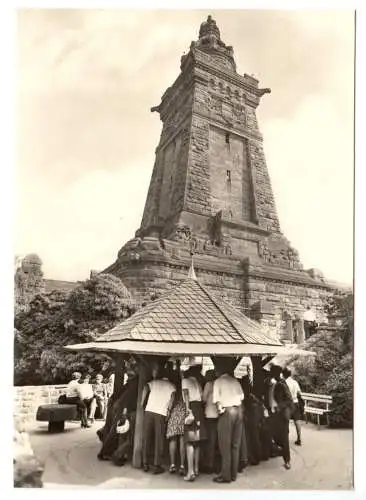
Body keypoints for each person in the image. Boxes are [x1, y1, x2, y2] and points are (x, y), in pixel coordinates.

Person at [141, 364, 176, 474]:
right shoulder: (172, 386)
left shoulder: (154, 382)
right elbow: (171, 402)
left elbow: (145, 388)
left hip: (149, 411)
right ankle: (157, 465)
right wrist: (169, 414)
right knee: (159, 439)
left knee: (146, 437)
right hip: (161, 414)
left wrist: (142, 403)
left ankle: (145, 463)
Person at [212, 364, 244, 483]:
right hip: (238, 411)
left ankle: (225, 476)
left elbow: (217, 401)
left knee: (225, 446)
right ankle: (233, 474)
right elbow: (242, 396)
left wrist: (220, 410)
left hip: (227, 412)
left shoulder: (218, 382)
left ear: (220, 370)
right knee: (235, 445)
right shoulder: (235, 381)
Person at [182, 365, 206, 482]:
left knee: (189, 441)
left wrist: (187, 410)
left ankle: (190, 472)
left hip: (191, 407)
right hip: (199, 409)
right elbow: (201, 396)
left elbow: (185, 394)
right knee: (197, 442)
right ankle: (196, 469)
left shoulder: (185, 380)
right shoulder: (196, 381)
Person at [271, 365, 294, 470]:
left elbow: (289, 399)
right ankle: (281, 452)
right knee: (277, 435)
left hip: (282, 415)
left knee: (284, 437)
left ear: (276, 373)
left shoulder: (281, 384)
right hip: (277, 415)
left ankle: (287, 460)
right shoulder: (276, 383)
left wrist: (279, 407)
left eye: (272, 372)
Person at [166, 376, 186, 476]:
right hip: (183, 415)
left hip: (174, 415)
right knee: (182, 440)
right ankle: (182, 466)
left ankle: (172, 465)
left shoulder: (173, 391)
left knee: (172, 440)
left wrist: (168, 413)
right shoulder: (186, 390)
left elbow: (170, 402)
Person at [202, 370, 219, 474]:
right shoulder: (217, 384)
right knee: (215, 440)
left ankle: (209, 465)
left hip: (209, 415)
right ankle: (213, 463)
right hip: (217, 415)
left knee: (210, 441)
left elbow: (203, 398)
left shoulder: (208, 384)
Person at [283, 367, 303, 446]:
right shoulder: (295, 382)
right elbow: (299, 394)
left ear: (283, 374)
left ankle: (285, 440)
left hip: (287, 404)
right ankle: (299, 438)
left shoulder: (283, 382)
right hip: (295, 403)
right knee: (297, 421)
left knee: (286, 421)